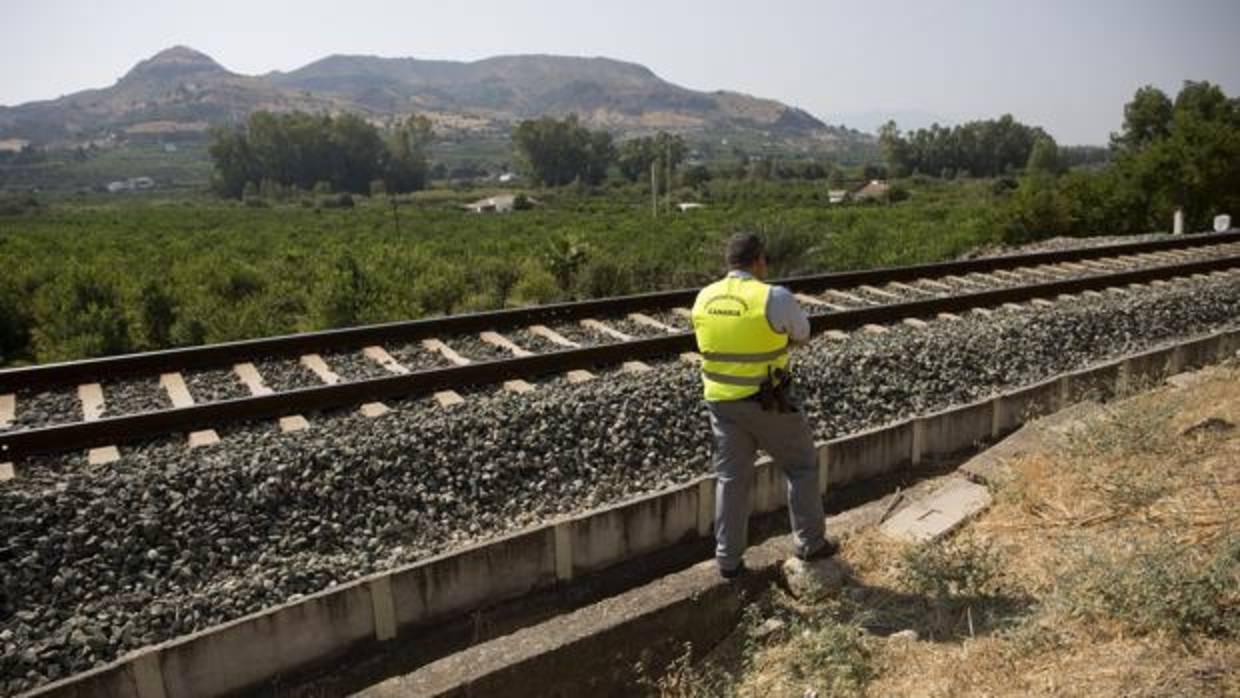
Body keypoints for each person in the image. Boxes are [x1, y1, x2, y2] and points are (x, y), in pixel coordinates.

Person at [690, 233, 838, 579]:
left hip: (722, 403)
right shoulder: (773, 296)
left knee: (731, 479)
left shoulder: (703, 297)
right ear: (758, 261)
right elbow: (802, 334)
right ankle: (810, 544)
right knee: (800, 467)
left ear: (729, 263)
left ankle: (728, 562)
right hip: (768, 401)